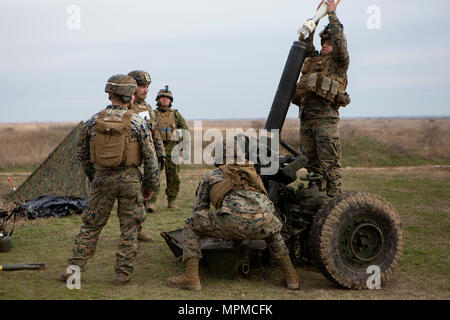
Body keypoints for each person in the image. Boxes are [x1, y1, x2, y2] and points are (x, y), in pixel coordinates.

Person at [61, 74, 160, 286]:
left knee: (91, 226)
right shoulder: (138, 123)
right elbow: (151, 159)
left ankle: (74, 269)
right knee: (129, 228)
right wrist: (150, 186)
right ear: (131, 96)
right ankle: (122, 274)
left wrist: (94, 175)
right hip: (130, 180)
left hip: (102, 179)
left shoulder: (92, 121)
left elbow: (81, 153)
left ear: (111, 93)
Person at [167, 140, 300, 291]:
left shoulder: (212, 175)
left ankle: (191, 278)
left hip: (233, 222)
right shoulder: (252, 172)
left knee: (191, 223)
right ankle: (292, 277)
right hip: (264, 220)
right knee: (272, 230)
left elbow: (199, 210)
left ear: (218, 157)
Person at [292, 0, 350, 197]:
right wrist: (316, 18)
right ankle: (318, 201)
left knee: (330, 165)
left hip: (325, 120)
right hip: (306, 118)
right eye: (323, 43)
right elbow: (306, 40)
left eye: (329, 43)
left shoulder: (338, 62)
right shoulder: (313, 59)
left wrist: (332, 15)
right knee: (312, 166)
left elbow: (340, 42)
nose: (325, 46)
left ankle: (335, 204)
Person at [127, 71, 166, 218]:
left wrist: (161, 153)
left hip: (147, 160)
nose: (146, 90)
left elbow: (155, 134)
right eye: (142, 86)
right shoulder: (125, 108)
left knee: (144, 196)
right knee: (131, 199)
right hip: (131, 160)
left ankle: (139, 229)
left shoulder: (148, 109)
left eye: (147, 86)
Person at [152, 86, 188, 209]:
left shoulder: (176, 115)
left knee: (174, 178)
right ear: (158, 99)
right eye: (162, 98)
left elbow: (184, 130)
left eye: (167, 98)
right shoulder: (153, 114)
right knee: (153, 177)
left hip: (173, 151)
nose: (164, 100)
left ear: (171, 100)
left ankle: (171, 201)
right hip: (156, 151)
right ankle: (150, 201)